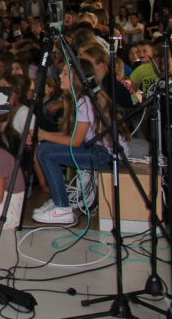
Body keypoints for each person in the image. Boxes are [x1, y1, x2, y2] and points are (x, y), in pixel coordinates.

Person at [32, 60, 128, 225]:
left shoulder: (84, 102)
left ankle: (62, 208)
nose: (60, 76)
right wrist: (43, 136)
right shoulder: (83, 99)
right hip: (101, 150)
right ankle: (59, 200)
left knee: (45, 152)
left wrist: (44, 135)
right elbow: (74, 136)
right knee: (47, 147)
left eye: (64, 74)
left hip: (107, 155)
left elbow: (75, 141)